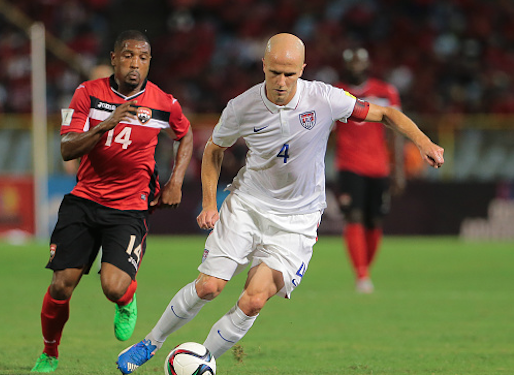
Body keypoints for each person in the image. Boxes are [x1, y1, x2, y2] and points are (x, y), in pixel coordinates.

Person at [116, 33, 444, 374]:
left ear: (303, 69)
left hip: (298, 219)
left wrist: (424, 143)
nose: (282, 82)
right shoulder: (242, 106)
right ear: (264, 67)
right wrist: (210, 204)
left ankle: (204, 359)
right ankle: (150, 344)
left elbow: (387, 114)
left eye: (290, 74)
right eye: (275, 73)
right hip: (248, 205)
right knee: (210, 286)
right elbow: (214, 150)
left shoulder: (325, 98)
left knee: (254, 299)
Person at [31, 30, 194, 373]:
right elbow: (66, 148)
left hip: (130, 207)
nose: (136, 64)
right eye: (129, 56)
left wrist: (176, 182)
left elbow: (186, 134)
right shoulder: (86, 94)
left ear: (149, 62)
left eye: (143, 58)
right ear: (114, 58)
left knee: (113, 286)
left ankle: (126, 298)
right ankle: (49, 353)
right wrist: (106, 123)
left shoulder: (164, 102)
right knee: (61, 285)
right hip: (84, 200)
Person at [333, 47, 404, 293]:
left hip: (379, 167)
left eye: (359, 62)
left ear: (367, 64)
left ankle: (365, 270)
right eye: (351, 61)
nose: (355, 66)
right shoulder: (335, 93)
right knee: (353, 216)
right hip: (349, 166)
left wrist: (399, 170)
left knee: (375, 221)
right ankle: (361, 274)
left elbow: (397, 131)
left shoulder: (386, 92)